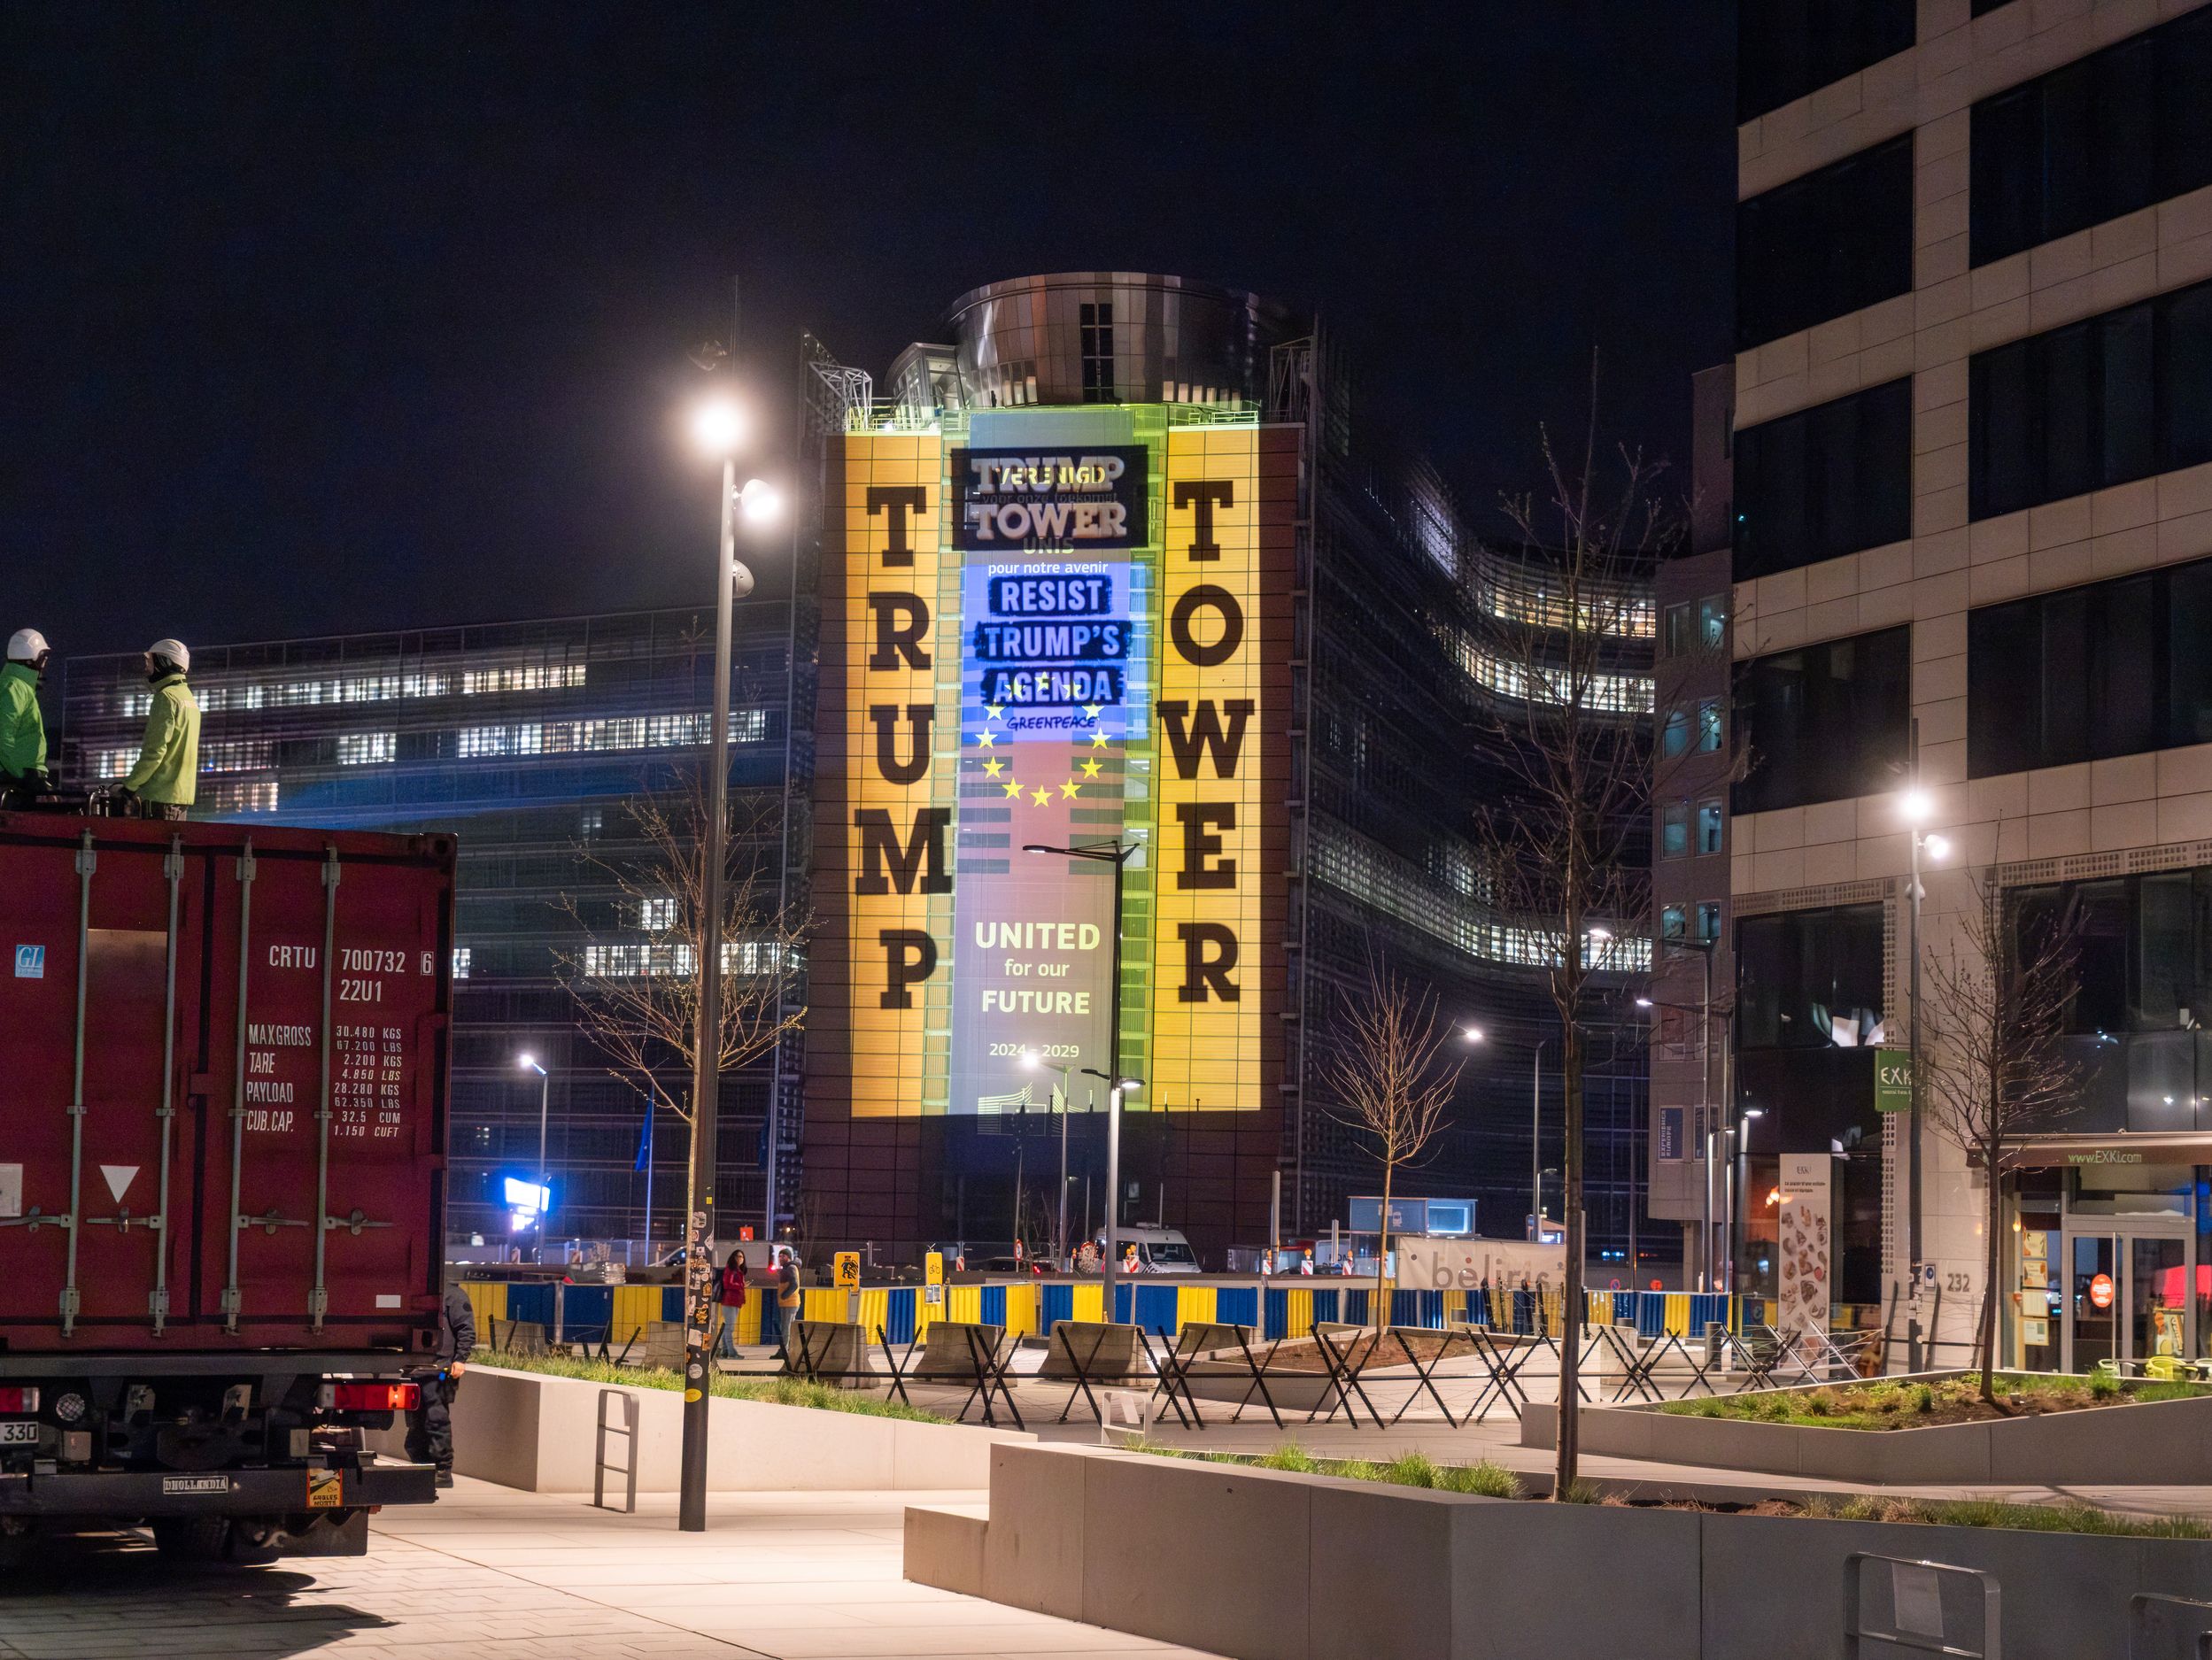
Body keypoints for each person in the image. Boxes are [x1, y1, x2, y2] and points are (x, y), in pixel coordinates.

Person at [112, 639, 199, 822]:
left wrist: (129, 787)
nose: (147, 668)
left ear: (164, 662)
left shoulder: (166, 698)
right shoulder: (188, 698)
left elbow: (155, 751)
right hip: (180, 795)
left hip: (160, 797)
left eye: (150, 662)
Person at [406, 1282, 476, 1488]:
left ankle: (442, 1470)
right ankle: (421, 1464)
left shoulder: (453, 1295)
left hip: (441, 1371)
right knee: (416, 1421)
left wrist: (460, 1359)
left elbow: (466, 1329)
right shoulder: (419, 1293)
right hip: (416, 1368)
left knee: (436, 1419)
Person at [0, 630, 50, 809]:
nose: (45, 663)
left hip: (20, 780)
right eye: (43, 657)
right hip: (13, 784)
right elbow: (3, 737)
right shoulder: (14, 687)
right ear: (31, 659)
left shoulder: (20, 687)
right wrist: (21, 776)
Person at [715, 1247, 748, 1359]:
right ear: (733, 1258)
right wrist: (742, 1285)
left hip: (735, 1302)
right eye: (739, 1256)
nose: (741, 1258)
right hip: (729, 1301)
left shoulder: (738, 1271)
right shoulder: (730, 1270)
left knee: (728, 1327)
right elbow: (727, 1284)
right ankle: (732, 1352)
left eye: (742, 1256)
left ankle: (725, 1351)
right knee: (730, 1328)